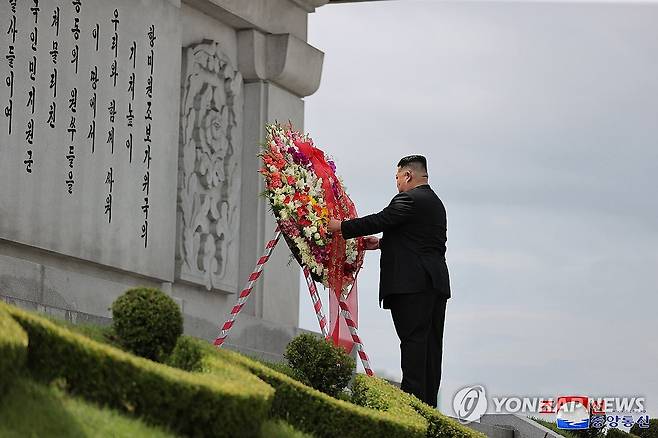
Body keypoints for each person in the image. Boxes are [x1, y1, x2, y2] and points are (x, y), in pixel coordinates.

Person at [327, 155, 451, 408]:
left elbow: (381, 219)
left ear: (408, 176)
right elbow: (419, 240)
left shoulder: (409, 199)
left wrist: (341, 226)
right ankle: (428, 406)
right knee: (430, 349)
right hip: (434, 284)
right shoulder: (435, 203)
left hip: (412, 286)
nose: (396, 184)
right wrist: (383, 243)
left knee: (413, 346)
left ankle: (413, 406)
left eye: (397, 178)